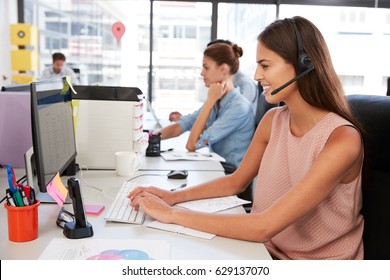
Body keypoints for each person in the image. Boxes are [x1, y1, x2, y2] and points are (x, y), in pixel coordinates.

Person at [129, 16, 365, 260]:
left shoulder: (342, 139)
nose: (255, 75)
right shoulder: (273, 120)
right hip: (265, 251)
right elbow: (235, 182)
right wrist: (172, 197)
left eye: (265, 65)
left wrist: (172, 215)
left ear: (304, 64)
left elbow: (263, 227)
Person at [156, 42, 254, 172]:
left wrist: (210, 100)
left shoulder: (239, 107)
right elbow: (184, 124)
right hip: (216, 167)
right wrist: (149, 138)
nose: (202, 73)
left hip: (229, 174)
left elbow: (192, 145)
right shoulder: (219, 100)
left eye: (206, 68)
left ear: (223, 69)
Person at [169, 39, 258, 122]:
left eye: (207, 67)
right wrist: (185, 120)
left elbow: (231, 117)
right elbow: (208, 115)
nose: (202, 73)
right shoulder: (220, 89)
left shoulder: (245, 85)